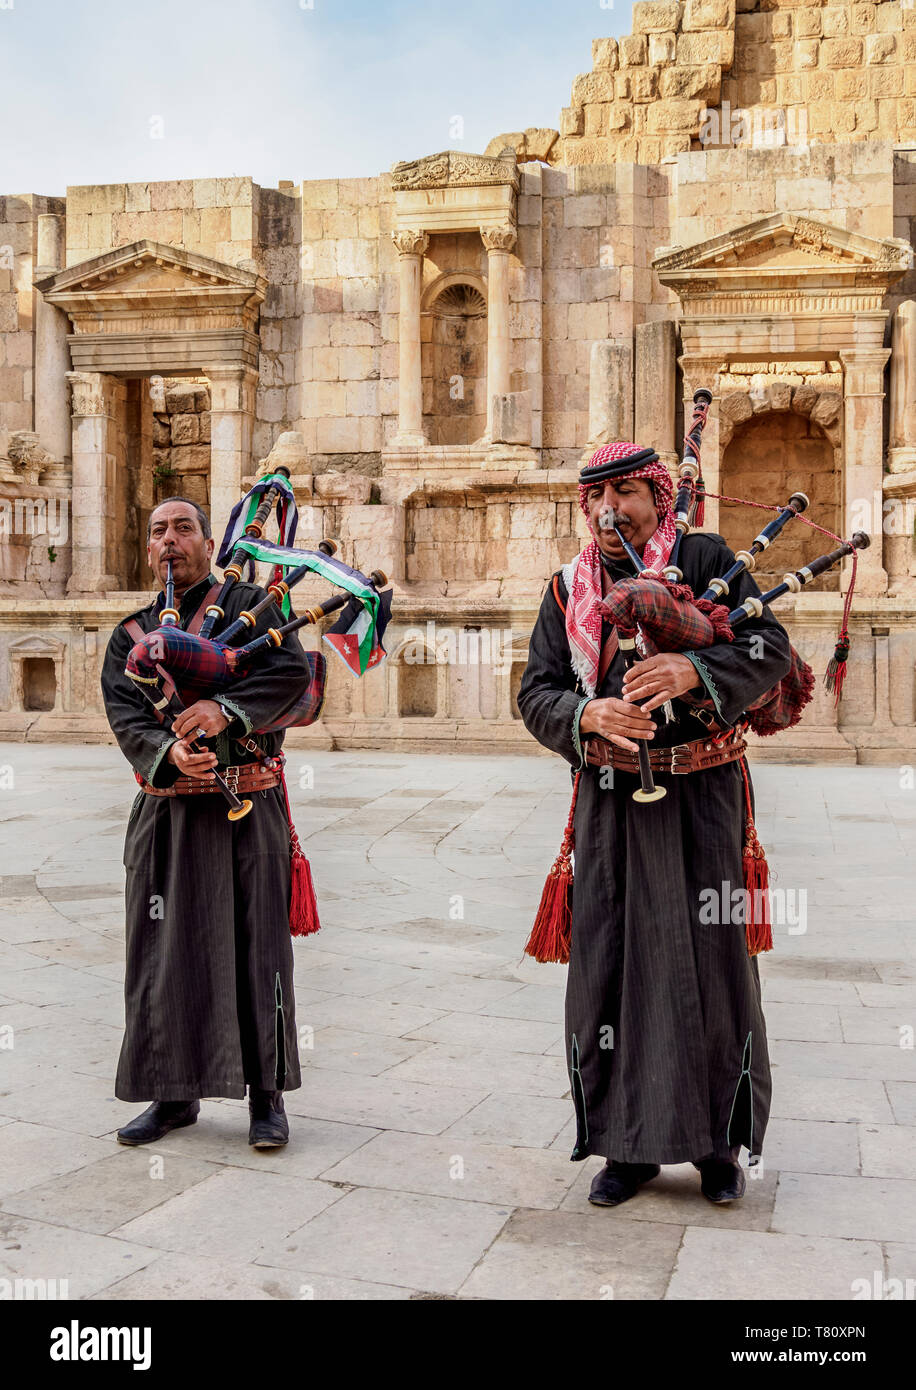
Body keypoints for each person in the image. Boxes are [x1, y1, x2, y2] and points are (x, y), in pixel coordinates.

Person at [517, 442, 792, 1207]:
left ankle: (716, 1149)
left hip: (705, 805)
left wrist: (694, 671)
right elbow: (536, 691)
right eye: (598, 496)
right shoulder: (567, 588)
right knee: (612, 968)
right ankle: (626, 1146)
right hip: (611, 809)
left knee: (714, 970)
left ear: (658, 499)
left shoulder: (707, 559)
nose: (612, 511)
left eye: (628, 494)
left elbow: (772, 651)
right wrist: (585, 713)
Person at [101, 496, 315, 1150]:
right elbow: (127, 716)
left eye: (184, 528)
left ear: (206, 542)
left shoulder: (259, 610)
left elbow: (293, 682)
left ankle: (267, 1099)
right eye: (159, 530)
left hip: (248, 807)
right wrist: (170, 754)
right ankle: (171, 1096)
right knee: (166, 953)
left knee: (258, 951)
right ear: (148, 548)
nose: (172, 540)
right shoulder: (131, 636)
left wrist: (225, 710)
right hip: (168, 814)